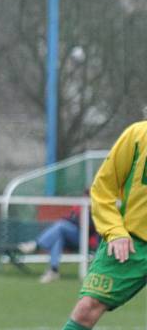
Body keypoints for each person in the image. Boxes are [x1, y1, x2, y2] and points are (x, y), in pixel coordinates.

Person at [61, 121, 147, 330]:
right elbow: (102, 189)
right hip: (131, 242)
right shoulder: (137, 135)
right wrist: (115, 232)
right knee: (86, 309)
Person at [18, 190, 98, 284]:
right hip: (71, 237)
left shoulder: (96, 210)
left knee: (60, 226)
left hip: (84, 240)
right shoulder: (78, 207)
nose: (84, 199)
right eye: (84, 196)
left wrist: (83, 216)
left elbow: (89, 227)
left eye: (87, 197)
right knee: (58, 237)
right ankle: (53, 270)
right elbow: (70, 218)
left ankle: (36, 244)